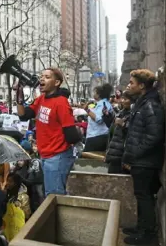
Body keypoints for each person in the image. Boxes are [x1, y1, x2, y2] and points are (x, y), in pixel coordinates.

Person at [15, 68, 82, 196]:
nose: (41, 79)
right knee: (51, 195)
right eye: (41, 76)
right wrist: (19, 94)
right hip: (46, 156)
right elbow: (23, 115)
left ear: (56, 82)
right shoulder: (41, 99)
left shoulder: (61, 103)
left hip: (57, 157)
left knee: (54, 197)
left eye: (46, 77)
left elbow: (71, 135)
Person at [121, 69, 164, 245]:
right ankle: (141, 227)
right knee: (141, 195)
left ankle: (147, 235)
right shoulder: (142, 102)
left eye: (132, 83)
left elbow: (154, 135)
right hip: (140, 160)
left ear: (141, 85)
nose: (129, 85)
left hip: (145, 162)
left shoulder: (150, 105)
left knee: (144, 196)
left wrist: (135, 153)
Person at [104, 91, 134, 174]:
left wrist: (123, 124)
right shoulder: (120, 113)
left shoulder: (133, 114)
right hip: (114, 154)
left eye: (126, 99)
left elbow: (133, 132)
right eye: (122, 98)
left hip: (123, 156)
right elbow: (112, 133)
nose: (122, 101)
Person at [83, 84, 114, 152]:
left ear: (99, 94)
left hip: (97, 136)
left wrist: (87, 110)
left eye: (95, 92)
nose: (93, 94)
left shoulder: (103, 104)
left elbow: (98, 119)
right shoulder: (98, 103)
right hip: (94, 135)